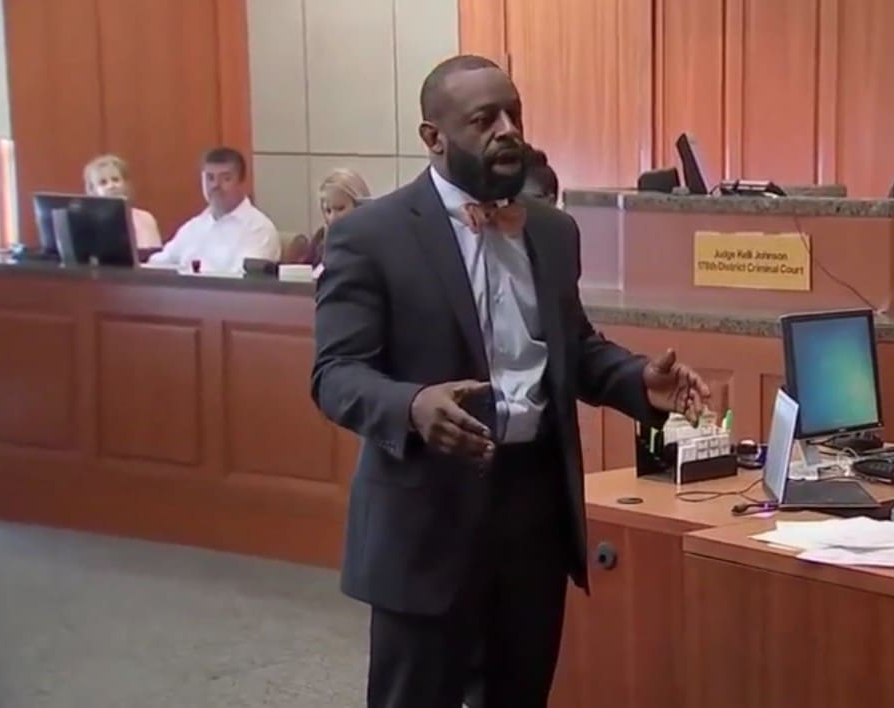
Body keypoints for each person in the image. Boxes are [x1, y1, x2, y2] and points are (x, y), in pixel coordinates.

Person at [310, 54, 711, 708]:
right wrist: (412, 406)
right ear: (432, 138)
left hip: (533, 507)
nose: (507, 131)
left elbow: (574, 349)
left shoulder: (552, 231)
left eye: (513, 115)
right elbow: (334, 374)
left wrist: (638, 380)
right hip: (427, 510)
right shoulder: (370, 235)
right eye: (484, 119)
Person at [147, 147, 280, 274]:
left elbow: (242, 284)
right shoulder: (194, 227)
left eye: (225, 179)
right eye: (210, 178)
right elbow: (160, 263)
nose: (215, 185)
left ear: (241, 182)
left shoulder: (259, 229)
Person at [83, 154, 162, 249]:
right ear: (93, 190)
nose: (111, 186)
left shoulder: (145, 218)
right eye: (103, 183)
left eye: (115, 180)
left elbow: (155, 256)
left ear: (126, 184)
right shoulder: (88, 223)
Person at [301, 168, 372, 267]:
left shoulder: (372, 242)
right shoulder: (321, 237)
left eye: (340, 208)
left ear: (360, 205)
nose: (333, 218)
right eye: (328, 211)